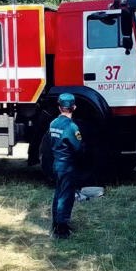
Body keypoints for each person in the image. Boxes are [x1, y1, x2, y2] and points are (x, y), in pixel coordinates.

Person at [49, 93, 84, 239]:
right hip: (67, 165)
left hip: (56, 163)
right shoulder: (72, 127)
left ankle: (56, 223)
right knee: (66, 196)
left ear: (59, 107)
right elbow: (78, 148)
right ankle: (62, 229)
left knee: (58, 193)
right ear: (74, 107)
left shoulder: (53, 123)